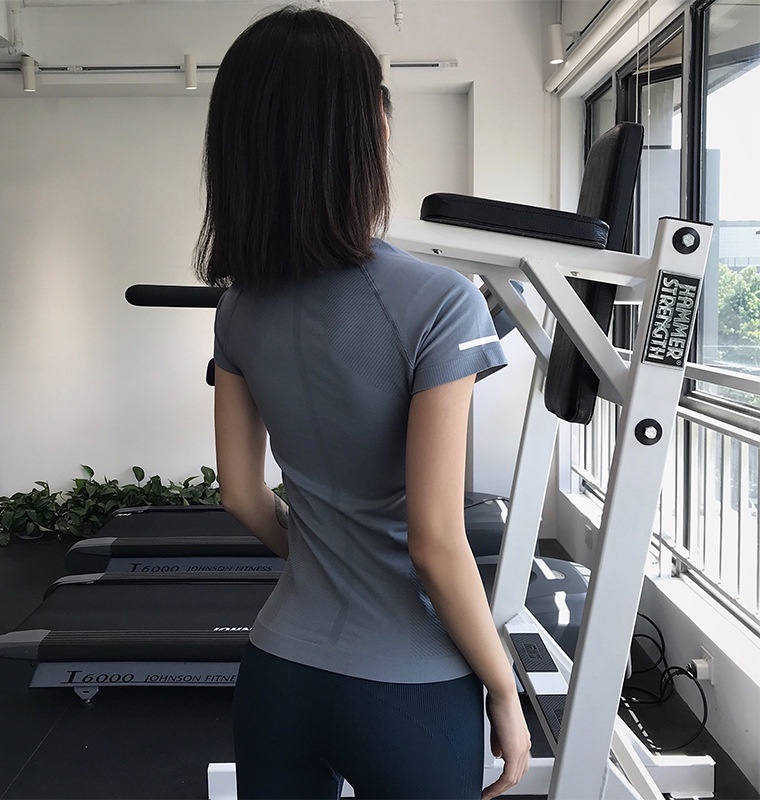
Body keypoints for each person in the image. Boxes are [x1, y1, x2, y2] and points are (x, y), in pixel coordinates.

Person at [195, 6, 531, 799]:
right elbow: (436, 543)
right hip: (407, 690)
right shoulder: (442, 302)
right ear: (373, 127)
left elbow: (240, 495)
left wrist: (321, 563)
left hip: (278, 670)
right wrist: (505, 689)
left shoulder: (238, 307)